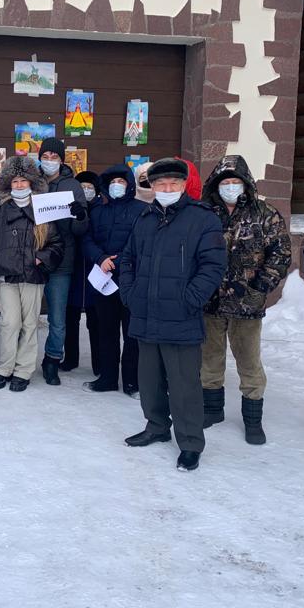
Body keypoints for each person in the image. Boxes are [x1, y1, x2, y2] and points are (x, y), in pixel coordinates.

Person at [118, 158, 227, 471]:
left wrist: (189, 299)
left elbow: (213, 266)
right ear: (152, 187)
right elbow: (128, 259)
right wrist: (130, 294)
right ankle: (156, 426)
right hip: (146, 313)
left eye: (173, 184)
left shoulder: (202, 218)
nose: (167, 189)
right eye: (161, 184)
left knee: (183, 384)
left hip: (181, 316)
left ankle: (191, 442)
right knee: (148, 380)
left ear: (183, 186)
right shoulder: (145, 218)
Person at [199, 155, 291, 445]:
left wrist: (260, 288)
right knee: (209, 360)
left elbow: (281, 254)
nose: (230, 187)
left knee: (249, 363)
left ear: (246, 184)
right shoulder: (204, 213)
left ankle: (253, 420)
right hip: (210, 302)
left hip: (246, 305)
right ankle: (212, 410)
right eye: (224, 182)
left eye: (235, 182)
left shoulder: (265, 214)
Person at [0, 156, 64, 392]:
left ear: (31, 183)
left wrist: (40, 259)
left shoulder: (43, 211)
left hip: (33, 277)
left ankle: (23, 370)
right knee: (9, 323)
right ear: (8, 184)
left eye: (23, 181)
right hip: (7, 278)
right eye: (14, 181)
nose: (19, 185)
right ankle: (4, 368)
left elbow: (56, 245)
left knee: (29, 324)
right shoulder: (2, 211)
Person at [82, 164, 148, 396]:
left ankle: (132, 381)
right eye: (112, 182)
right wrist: (100, 258)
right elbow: (87, 239)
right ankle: (108, 378)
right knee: (106, 331)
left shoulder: (142, 210)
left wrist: (119, 262)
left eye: (121, 182)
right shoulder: (98, 210)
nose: (116, 186)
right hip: (103, 281)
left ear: (129, 184)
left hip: (131, 281)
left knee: (131, 334)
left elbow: (142, 243)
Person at [36, 138, 89, 386]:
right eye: (45, 155)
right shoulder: (31, 182)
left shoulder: (72, 186)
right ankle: (21, 359)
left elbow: (81, 228)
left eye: (53, 156)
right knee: (24, 318)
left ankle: (52, 359)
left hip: (61, 261)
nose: (49, 160)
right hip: (31, 259)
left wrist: (79, 215)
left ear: (61, 160)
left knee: (57, 318)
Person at [63, 170, 103, 374]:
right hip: (74, 268)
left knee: (96, 322)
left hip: (96, 272)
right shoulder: (69, 207)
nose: (86, 190)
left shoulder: (101, 209)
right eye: (82, 187)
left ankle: (99, 363)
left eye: (90, 187)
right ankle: (70, 358)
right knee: (70, 319)